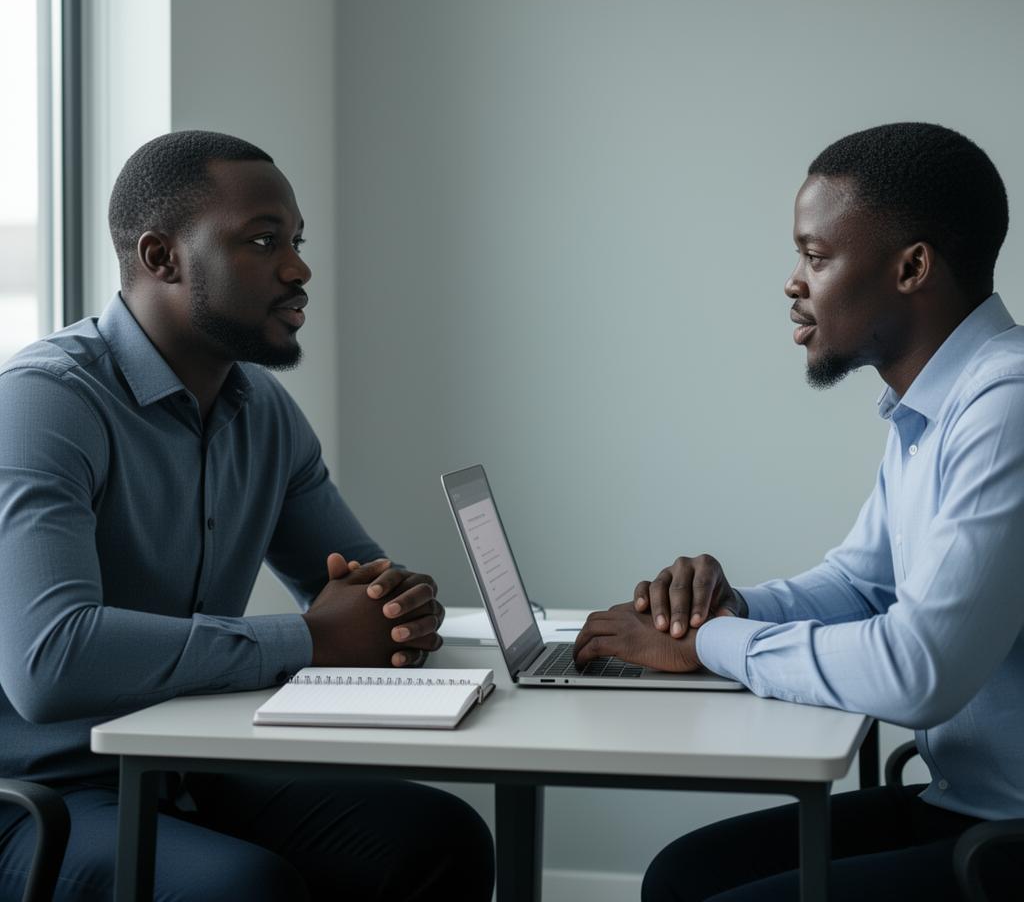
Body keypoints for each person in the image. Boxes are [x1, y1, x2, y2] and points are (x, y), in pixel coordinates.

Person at [0, 131, 494, 901]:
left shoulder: (263, 410)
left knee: (437, 837)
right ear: (161, 257)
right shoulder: (44, 403)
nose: (298, 269)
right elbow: (50, 663)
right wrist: (311, 637)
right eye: (263, 242)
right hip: (41, 794)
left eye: (295, 242)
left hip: (185, 765)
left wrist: (397, 606)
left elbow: (362, 592)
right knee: (242, 888)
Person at [573, 122, 1024, 900]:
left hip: (1006, 840)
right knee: (681, 877)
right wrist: (729, 607)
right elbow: (859, 585)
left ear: (912, 267)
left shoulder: (1006, 405)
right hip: (961, 808)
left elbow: (919, 673)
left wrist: (712, 642)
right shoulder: (935, 408)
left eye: (816, 258)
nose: (793, 283)